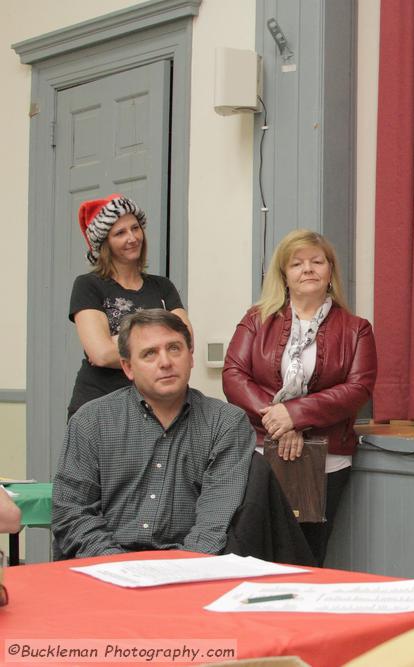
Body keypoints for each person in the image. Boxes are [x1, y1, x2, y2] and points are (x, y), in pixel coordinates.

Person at [223, 230, 377, 567]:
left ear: (330, 271)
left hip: (326, 460)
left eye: (316, 261)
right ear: (284, 275)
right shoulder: (256, 319)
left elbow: (358, 389)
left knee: (307, 556)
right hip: (262, 453)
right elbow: (234, 375)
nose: (307, 269)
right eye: (297, 263)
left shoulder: (356, 329)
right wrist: (280, 422)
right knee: (253, 551)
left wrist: (294, 415)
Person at [52, 310, 253, 558]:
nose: (165, 362)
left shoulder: (226, 423)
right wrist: (118, 565)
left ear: (190, 356)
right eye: (150, 353)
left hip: (189, 571)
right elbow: (72, 512)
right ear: (128, 368)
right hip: (103, 568)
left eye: (174, 348)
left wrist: (178, 572)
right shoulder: (91, 420)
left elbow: (215, 521)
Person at [68, 194, 193, 419]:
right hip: (100, 408)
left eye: (135, 228)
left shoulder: (162, 286)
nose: (132, 237)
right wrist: (161, 345)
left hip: (157, 409)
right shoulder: (89, 285)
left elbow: (186, 342)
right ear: (104, 243)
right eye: (120, 233)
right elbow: (101, 354)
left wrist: (121, 341)